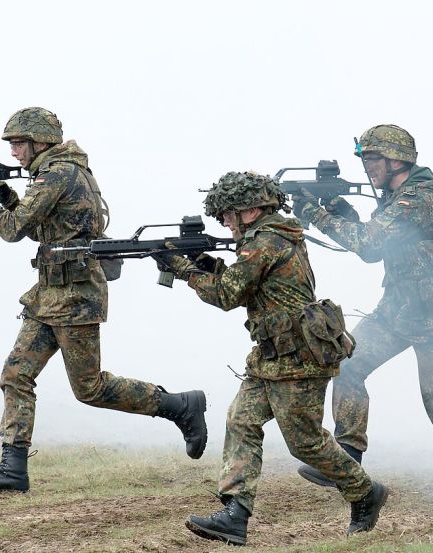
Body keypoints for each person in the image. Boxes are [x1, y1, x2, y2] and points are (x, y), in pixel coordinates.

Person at [0, 107, 208, 492]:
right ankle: (13, 470)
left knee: (89, 388)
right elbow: (43, 224)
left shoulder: (58, 173)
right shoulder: (57, 171)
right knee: (16, 374)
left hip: (74, 297)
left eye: (19, 144)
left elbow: (12, 229)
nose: (14, 153)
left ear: (41, 141)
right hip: (49, 295)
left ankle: (179, 406)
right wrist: (2, 193)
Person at [292, 124, 433, 504]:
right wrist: (342, 212)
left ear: (397, 160)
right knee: (348, 364)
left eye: (373, 159)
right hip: (396, 309)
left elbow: (368, 244)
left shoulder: (420, 199)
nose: (368, 168)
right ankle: (348, 456)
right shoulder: (397, 197)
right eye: (365, 160)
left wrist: (317, 214)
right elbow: (380, 244)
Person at [163, 171, 388, 546]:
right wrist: (203, 263)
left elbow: (226, 295)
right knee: (241, 419)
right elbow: (245, 284)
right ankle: (235, 513)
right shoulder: (267, 238)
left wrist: (184, 269)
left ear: (250, 210)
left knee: (306, 443)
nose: (224, 222)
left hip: (299, 357)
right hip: (272, 355)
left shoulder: (266, 241)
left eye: (228, 214)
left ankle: (365, 493)